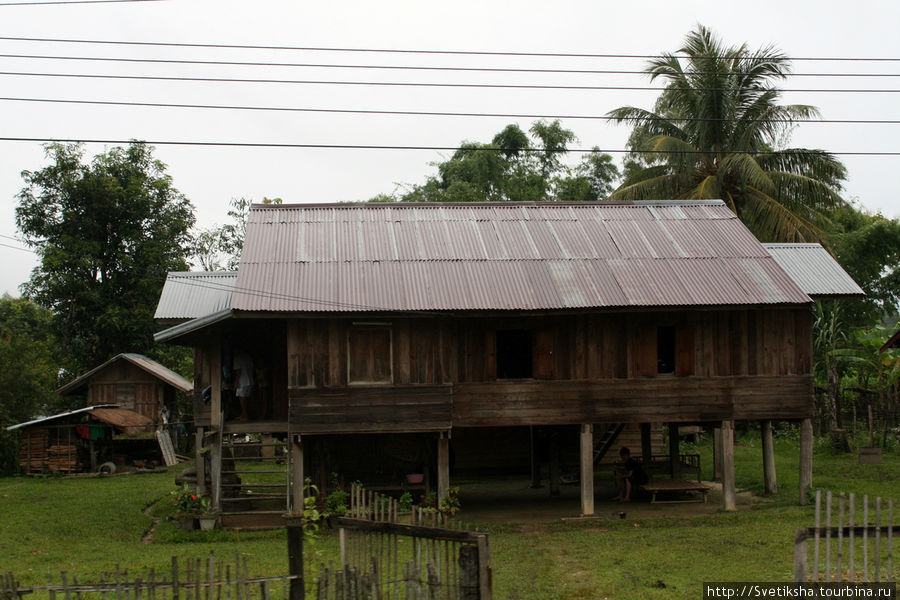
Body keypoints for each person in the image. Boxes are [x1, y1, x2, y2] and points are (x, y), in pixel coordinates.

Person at [232, 350, 254, 421]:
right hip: (250, 380)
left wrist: (236, 381)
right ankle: (243, 414)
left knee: (242, 398)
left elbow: (238, 371)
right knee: (246, 398)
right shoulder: (248, 357)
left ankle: (245, 415)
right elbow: (252, 368)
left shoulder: (237, 358)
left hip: (242, 380)